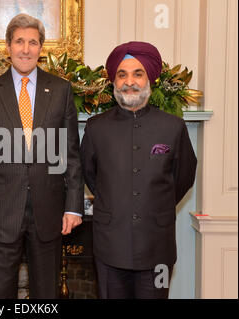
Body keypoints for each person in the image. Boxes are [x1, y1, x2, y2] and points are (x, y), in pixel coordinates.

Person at [0, 14, 84, 299]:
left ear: (41, 48)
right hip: (1, 213)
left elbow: (71, 154)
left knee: (47, 293)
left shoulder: (60, 90)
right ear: (8, 47)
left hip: (48, 211)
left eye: (33, 42)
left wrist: (73, 207)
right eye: (19, 41)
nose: (26, 49)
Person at [80, 41, 197, 299]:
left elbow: (184, 176)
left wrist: (155, 204)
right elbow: (90, 174)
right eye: (122, 74)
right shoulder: (95, 127)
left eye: (137, 73)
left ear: (150, 79)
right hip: (110, 246)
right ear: (114, 81)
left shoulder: (173, 127)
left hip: (158, 247)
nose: (129, 81)